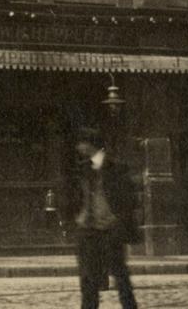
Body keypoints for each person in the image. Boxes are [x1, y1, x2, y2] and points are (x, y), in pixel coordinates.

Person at [64, 126, 139, 309]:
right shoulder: (80, 169)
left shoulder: (117, 168)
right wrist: (74, 220)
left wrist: (119, 222)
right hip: (86, 231)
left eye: (81, 143)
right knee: (88, 279)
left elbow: (128, 199)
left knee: (120, 277)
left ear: (90, 145)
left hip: (110, 230)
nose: (78, 148)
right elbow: (73, 197)